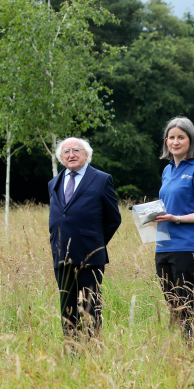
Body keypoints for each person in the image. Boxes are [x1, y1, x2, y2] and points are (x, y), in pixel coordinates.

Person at [48, 137, 122, 338]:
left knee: (89, 307)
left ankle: (92, 351)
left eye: (76, 150)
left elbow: (113, 219)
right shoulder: (53, 183)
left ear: (87, 154)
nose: (71, 155)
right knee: (67, 309)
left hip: (90, 256)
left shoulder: (101, 179)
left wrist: (95, 243)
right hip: (61, 255)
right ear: (61, 158)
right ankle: (71, 351)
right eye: (66, 152)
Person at [154, 117, 194, 339]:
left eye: (181, 137)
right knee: (174, 305)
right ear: (166, 141)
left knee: (190, 304)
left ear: (191, 140)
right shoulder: (167, 170)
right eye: (172, 137)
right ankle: (183, 352)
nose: (176, 141)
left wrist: (176, 218)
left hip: (188, 247)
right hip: (163, 246)